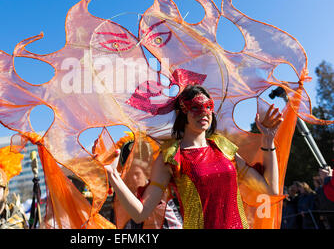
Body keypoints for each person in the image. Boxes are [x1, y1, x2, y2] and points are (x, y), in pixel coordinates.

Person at [105, 85, 282, 229]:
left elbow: (270, 189)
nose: (203, 112)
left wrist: (267, 139)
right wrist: (114, 177)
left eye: (208, 107)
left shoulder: (223, 147)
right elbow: (141, 213)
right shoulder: (171, 156)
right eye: (195, 108)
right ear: (183, 113)